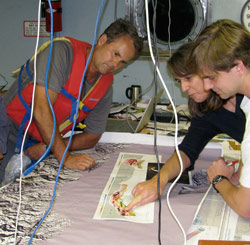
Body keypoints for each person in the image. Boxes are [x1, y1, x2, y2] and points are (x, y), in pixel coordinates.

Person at [2, 18, 143, 184]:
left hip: (42, 142)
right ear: (102, 40)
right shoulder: (62, 52)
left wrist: (49, 148)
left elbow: (92, 136)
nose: (115, 64)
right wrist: (65, 157)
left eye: (122, 62)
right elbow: (41, 109)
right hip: (8, 131)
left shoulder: (104, 86)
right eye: (116, 54)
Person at [125, 41, 245, 211]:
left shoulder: (243, 97)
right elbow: (188, 150)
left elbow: (244, 207)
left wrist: (221, 179)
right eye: (178, 81)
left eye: (188, 78)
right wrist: (160, 179)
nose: (183, 88)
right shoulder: (207, 109)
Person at [191, 19, 250, 218]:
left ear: (238, 67)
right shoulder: (247, 103)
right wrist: (236, 177)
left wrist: (218, 180)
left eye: (212, 77)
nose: (207, 86)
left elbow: (245, 207)